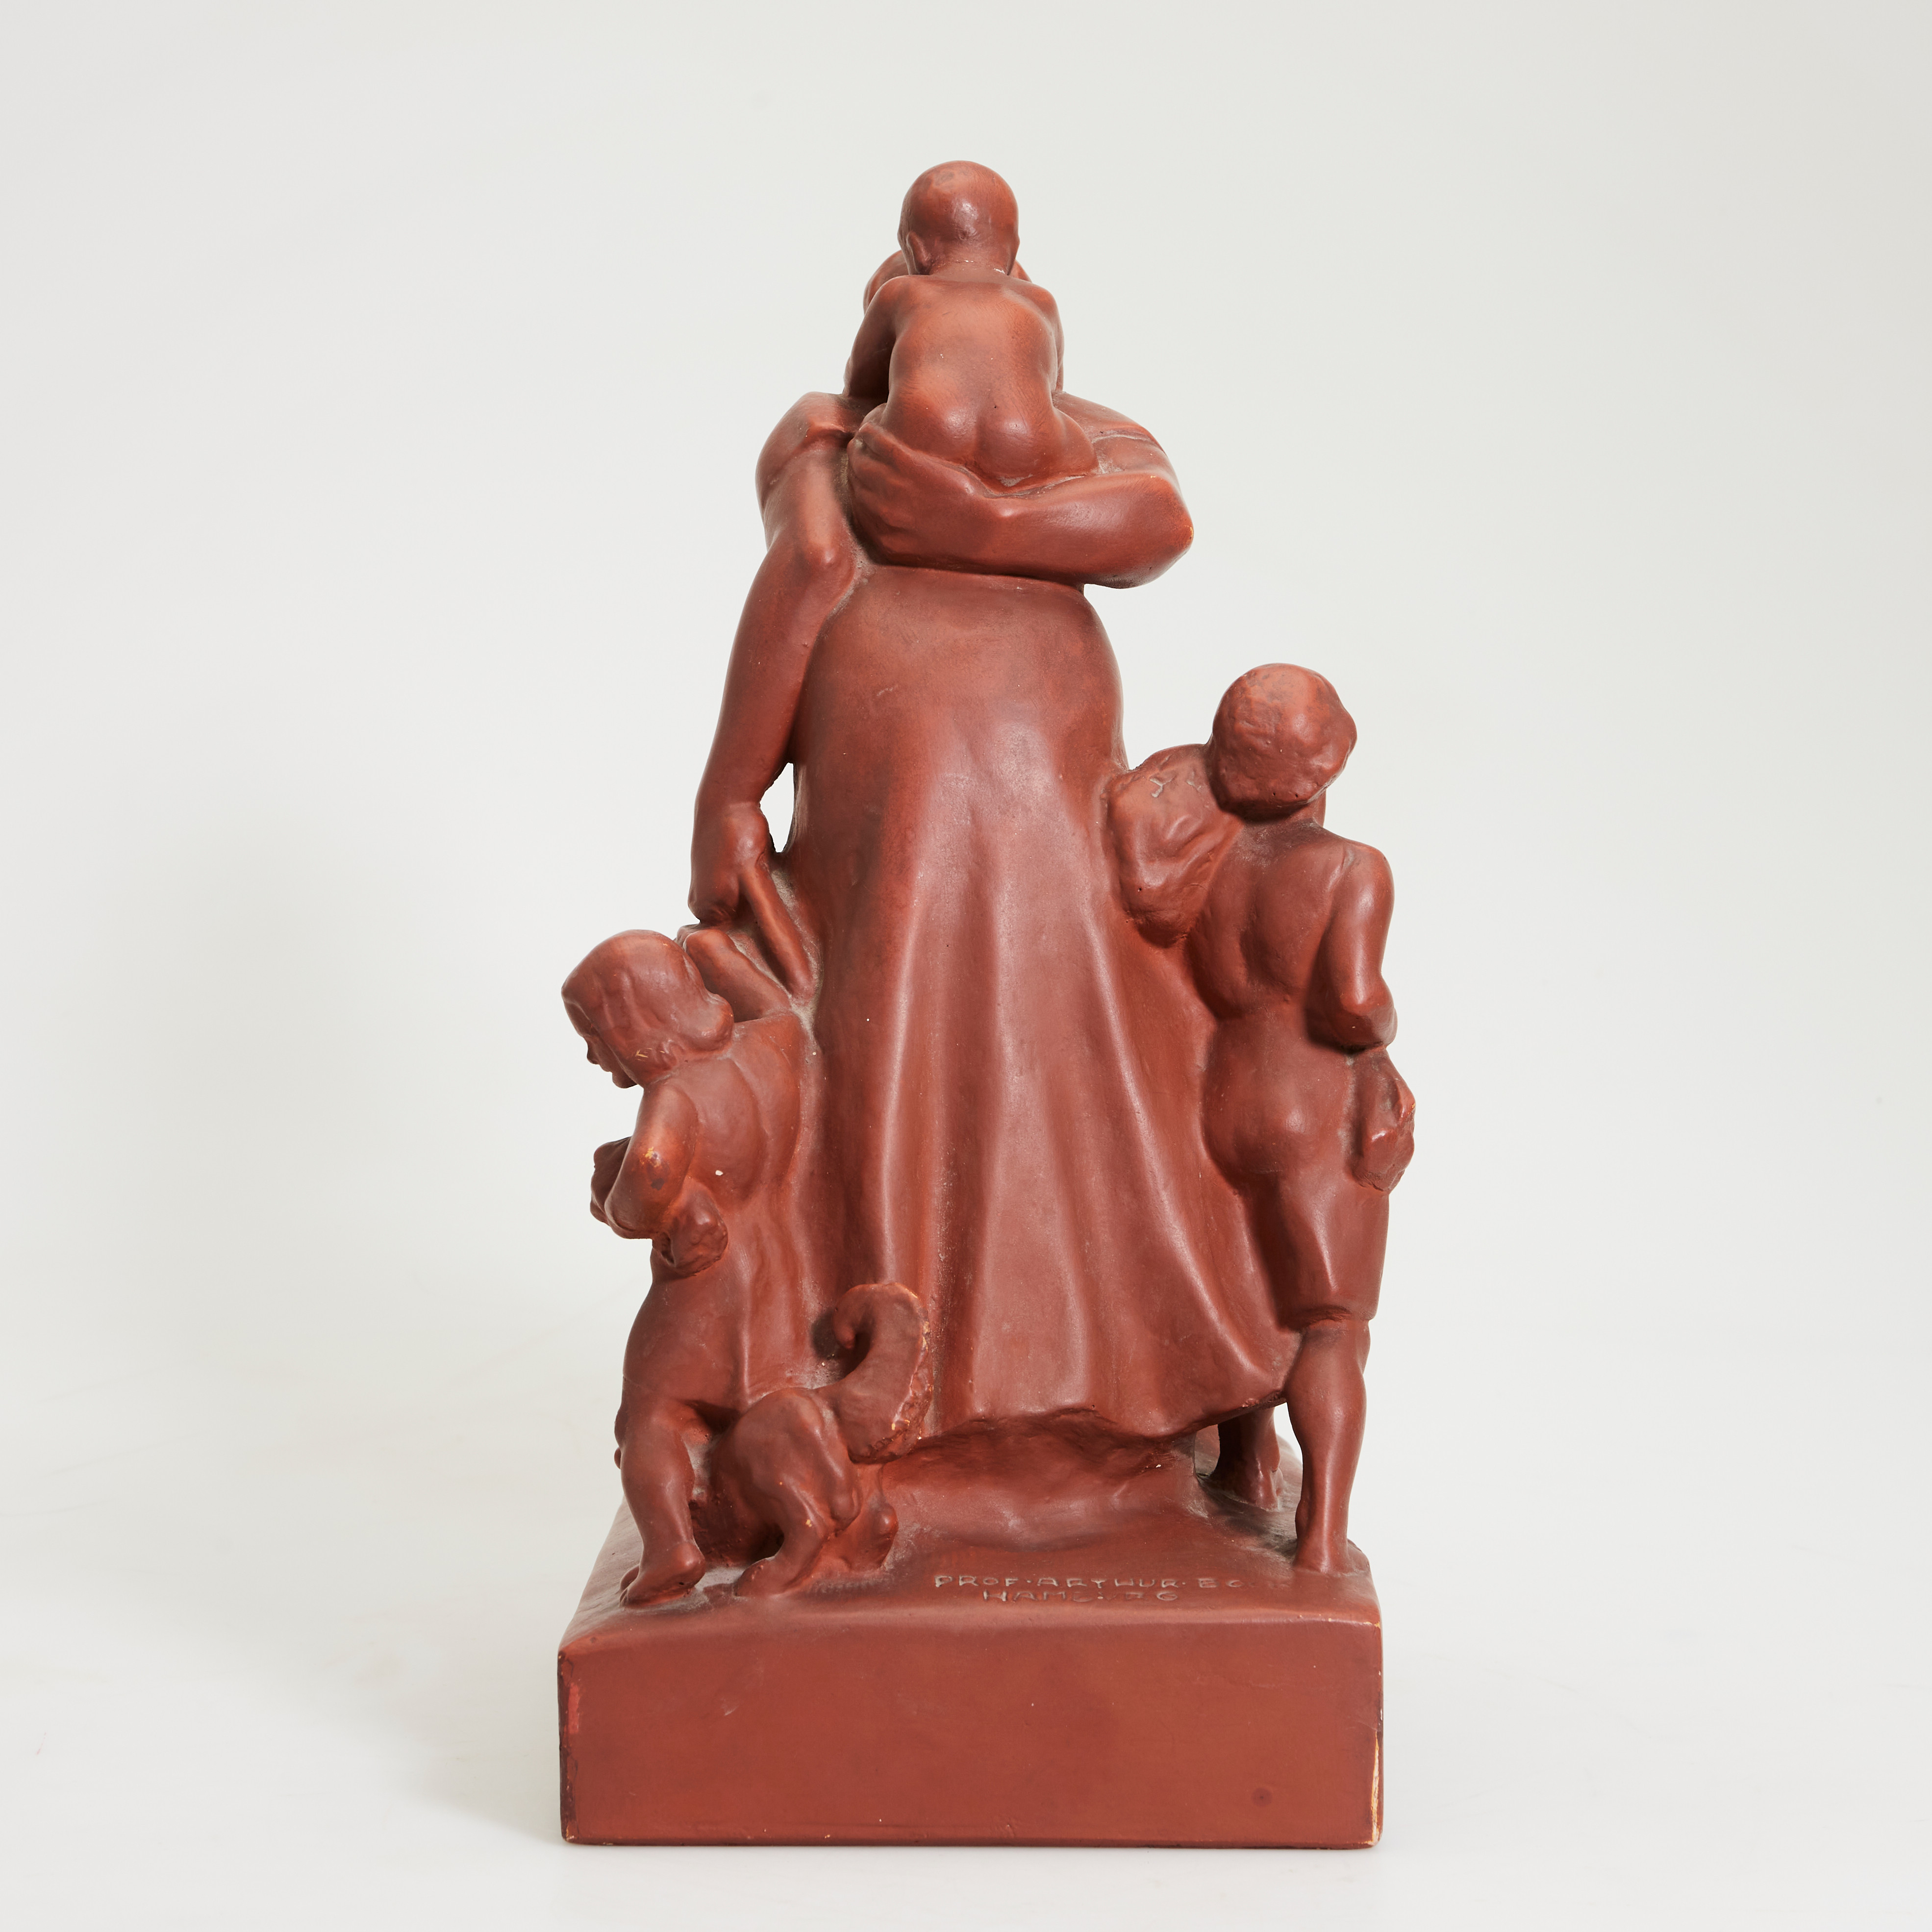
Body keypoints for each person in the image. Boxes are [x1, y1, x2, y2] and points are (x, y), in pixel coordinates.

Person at [1109, 665, 1415, 1569]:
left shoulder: (1210, 862)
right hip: (1310, 1097)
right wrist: (1386, 1033)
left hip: (1222, 1094)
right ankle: (1318, 1537)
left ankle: (1244, 1466)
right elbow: (1350, 1002)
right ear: (1324, 764)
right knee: (1330, 1322)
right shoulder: (1351, 868)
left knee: (1241, 1287)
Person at [562, 926, 814, 1604]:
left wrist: (615, 1196)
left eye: (594, 1035)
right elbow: (780, 1009)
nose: (591, 1054)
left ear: (634, 1025)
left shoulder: (674, 1096)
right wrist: (716, 957)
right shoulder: (767, 1050)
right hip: (773, 1275)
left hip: (700, 1288)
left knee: (651, 1415)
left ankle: (671, 1544)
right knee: (768, 1405)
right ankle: (793, 1520)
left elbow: (647, 1178)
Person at [843, 161, 1093, 491]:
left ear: (916, 250)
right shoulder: (1042, 300)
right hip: (1028, 441)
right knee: (1075, 434)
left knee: (870, 422)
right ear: (1014, 250)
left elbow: (859, 388)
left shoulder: (899, 292)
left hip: (931, 433)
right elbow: (1053, 390)